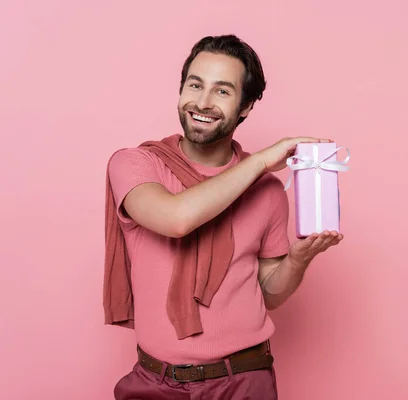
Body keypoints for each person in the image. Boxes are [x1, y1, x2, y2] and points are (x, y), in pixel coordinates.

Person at [103, 34, 343, 400]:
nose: (202, 102)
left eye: (222, 91)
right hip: (155, 383)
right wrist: (262, 159)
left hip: (244, 381)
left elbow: (269, 293)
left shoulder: (266, 191)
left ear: (245, 107)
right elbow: (176, 219)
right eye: (195, 85)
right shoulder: (136, 164)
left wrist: (297, 260)